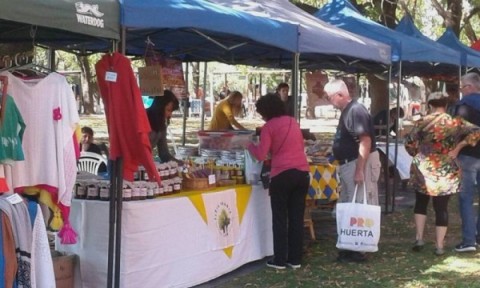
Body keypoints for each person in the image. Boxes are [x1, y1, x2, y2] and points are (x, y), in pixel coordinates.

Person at [405, 92, 480, 256]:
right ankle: (439, 245)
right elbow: (476, 131)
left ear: (430, 104)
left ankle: (419, 238)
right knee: (441, 208)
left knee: (420, 203)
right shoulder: (455, 122)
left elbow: (409, 142)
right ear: (446, 105)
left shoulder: (421, 122)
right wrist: (458, 148)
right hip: (445, 168)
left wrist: (416, 153)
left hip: (423, 167)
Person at [247, 93, 309, 270]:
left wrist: (248, 144)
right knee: (297, 217)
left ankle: (280, 259)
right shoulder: (293, 122)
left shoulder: (269, 127)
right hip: (302, 173)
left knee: (280, 218)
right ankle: (295, 259)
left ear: (266, 111)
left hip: (281, 174)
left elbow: (260, 155)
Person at [323, 79, 381, 263]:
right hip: (349, 163)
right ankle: (349, 245)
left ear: (340, 95)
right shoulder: (348, 111)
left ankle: (358, 248)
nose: (328, 100)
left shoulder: (355, 110)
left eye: (329, 96)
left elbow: (365, 141)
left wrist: (359, 170)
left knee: (359, 205)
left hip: (357, 163)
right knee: (349, 204)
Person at [452, 72, 480, 252]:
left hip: (468, 155)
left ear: (469, 87)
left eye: (462, 86)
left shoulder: (463, 105)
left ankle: (469, 240)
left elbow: (456, 131)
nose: (461, 90)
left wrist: (456, 148)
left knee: (466, 198)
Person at [146, 90, 181, 163]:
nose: (170, 115)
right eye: (168, 110)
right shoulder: (142, 118)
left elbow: (164, 154)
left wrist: (180, 163)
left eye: (171, 111)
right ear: (159, 107)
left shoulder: (162, 125)